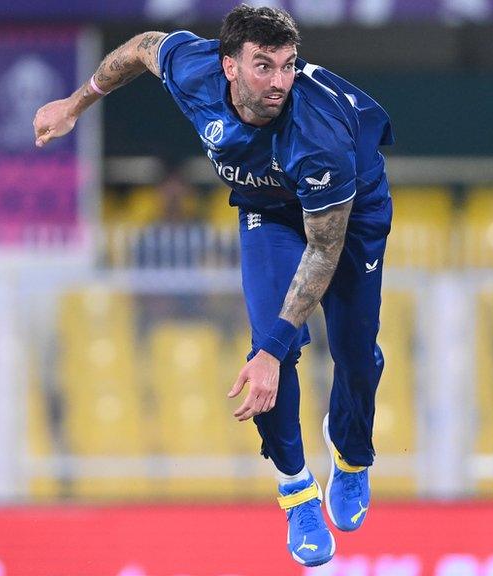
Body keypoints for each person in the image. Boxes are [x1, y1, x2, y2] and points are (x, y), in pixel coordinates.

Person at [34, 5, 393, 567]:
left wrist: (275, 348)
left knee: (352, 353)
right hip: (267, 211)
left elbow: (324, 251)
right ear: (227, 66)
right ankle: (297, 492)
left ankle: (351, 455)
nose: (279, 82)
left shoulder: (317, 136)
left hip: (349, 211)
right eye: (263, 66)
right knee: (268, 350)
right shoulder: (194, 69)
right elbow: (141, 47)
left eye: (288, 66)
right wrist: (74, 105)